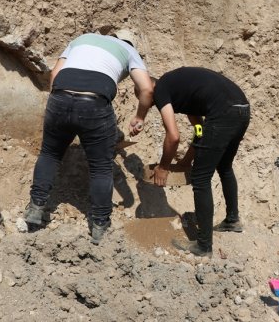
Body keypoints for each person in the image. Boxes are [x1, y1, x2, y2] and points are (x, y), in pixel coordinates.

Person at [24, 29, 153, 245]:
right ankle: (100, 225)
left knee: (50, 154)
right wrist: (139, 116)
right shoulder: (129, 49)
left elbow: (55, 75)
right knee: (101, 167)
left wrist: (63, 103)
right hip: (94, 101)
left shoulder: (81, 39)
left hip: (60, 95)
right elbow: (147, 89)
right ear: (130, 43)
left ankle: (36, 208)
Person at [151, 67, 250, 257]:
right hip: (241, 111)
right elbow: (200, 131)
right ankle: (232, 220)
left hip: (224, 113)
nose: (149, 105)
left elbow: (173, 137)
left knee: (201, 178)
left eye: (147, 100)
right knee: (224, 166)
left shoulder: (160, 89)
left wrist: (163, 167)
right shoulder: (188, 95)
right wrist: (187, 161)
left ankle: (203, 245)